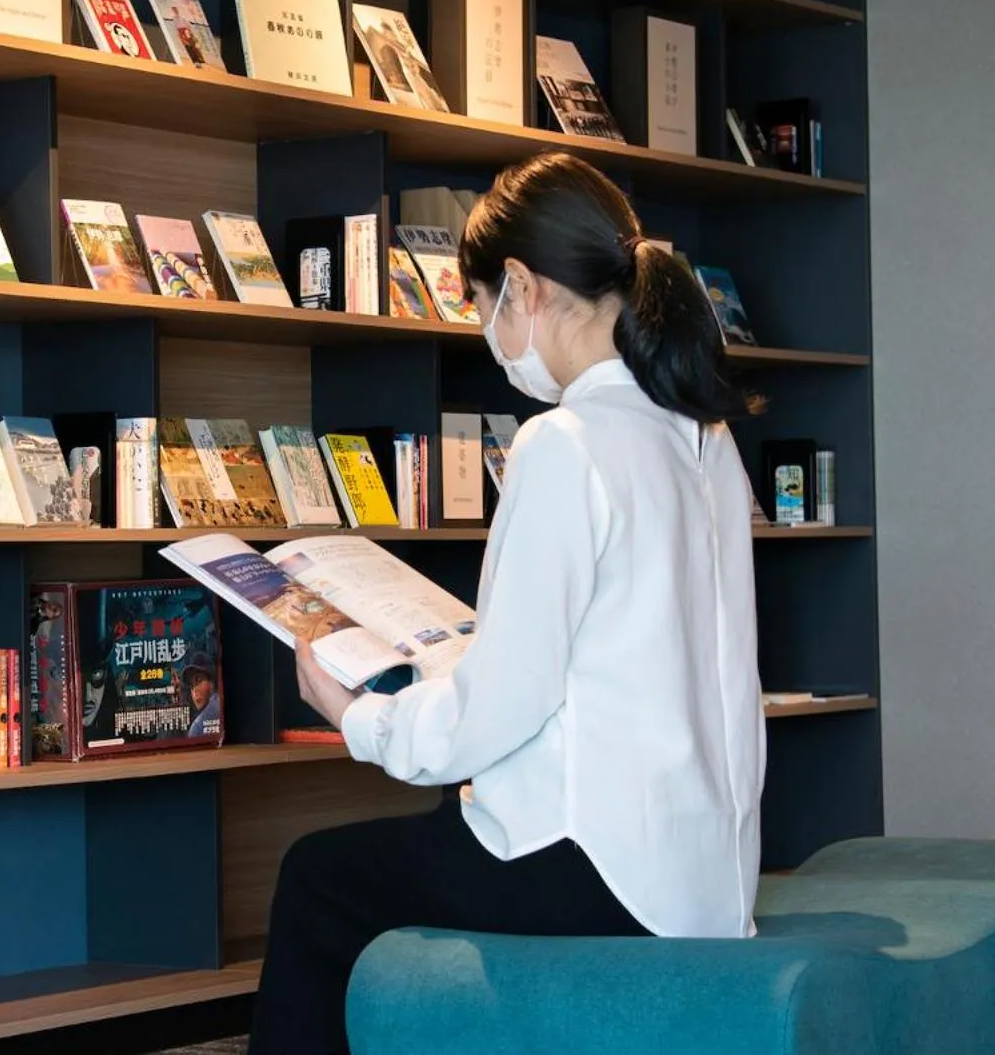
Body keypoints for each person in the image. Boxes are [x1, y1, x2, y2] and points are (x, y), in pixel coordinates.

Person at [249, 152, 765, 1055]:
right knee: (428, 839)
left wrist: (366, 719)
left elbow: (507, 705)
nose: (487, 330)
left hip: (599, 871)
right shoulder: (702, 436)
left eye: (483, 302)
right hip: (707, 876)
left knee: (318, 879)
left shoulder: (562, 443)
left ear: (520, 287)